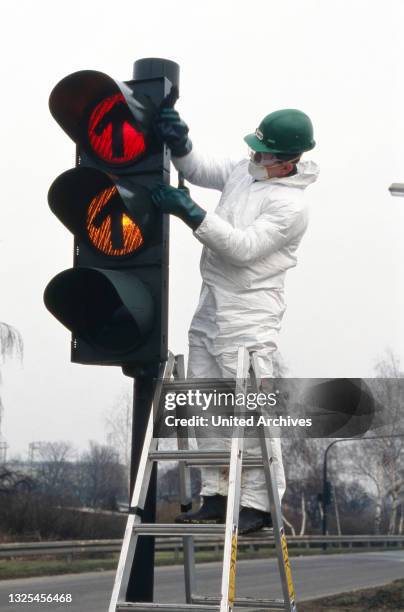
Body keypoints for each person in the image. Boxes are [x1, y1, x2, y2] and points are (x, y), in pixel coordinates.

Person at [151, 107, 319, 534]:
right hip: (214, 299)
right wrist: (181, 145)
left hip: (251, 309)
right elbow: (201, 167)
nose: (256, 159)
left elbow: (243, 248)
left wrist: (191, 212)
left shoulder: (291, 205)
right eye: (255, 149)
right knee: (206, 400)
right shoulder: (247, 171)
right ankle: (217, 493)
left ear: (291, 159)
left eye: (265, 155)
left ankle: (260, 504)